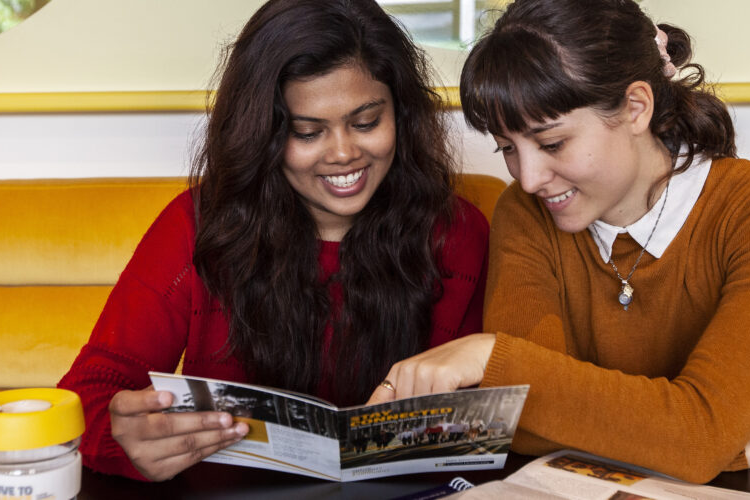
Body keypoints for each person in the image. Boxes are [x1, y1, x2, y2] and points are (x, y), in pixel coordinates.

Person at [366, 0, 750, 488]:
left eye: (551, 143)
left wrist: (488, 356)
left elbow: (697, 442)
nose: (528, 178)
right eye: (507, 149)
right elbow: (525, 427)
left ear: (635, 108)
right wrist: (734, 440)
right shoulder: (525, 214)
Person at [58, 0, 489, 482]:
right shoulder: (197, 225)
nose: (344, 153)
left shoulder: (457, 233)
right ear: (262, 133)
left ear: (401, 115)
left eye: (366, 122)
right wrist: (126, 441)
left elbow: (490, 413)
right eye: (307, 132)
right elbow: (87, 397)